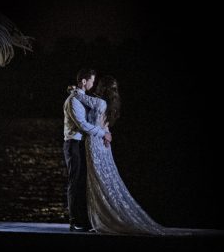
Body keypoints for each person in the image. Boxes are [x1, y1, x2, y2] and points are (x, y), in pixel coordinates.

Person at [74, 76, 169, 235]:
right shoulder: (111, 105)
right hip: (105, 144)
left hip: (94, 143)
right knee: (108, 179)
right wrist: (107, 135)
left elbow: (79, 96)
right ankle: (106, 216)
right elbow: (106, 126)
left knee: (98, 181)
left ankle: (101, 218)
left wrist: (73, 89)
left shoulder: (99, 102)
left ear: (102, 88)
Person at [63, 68, 109, 232]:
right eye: (91, 80)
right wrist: (103, 132)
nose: (93, 84)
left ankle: (83, 219)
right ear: (84, 81)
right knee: (74, 181)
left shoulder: (81, 98)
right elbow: (82, 124)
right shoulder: (73, 101)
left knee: (82, 182)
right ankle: (74, 220)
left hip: (80, 144)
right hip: (72, 144)